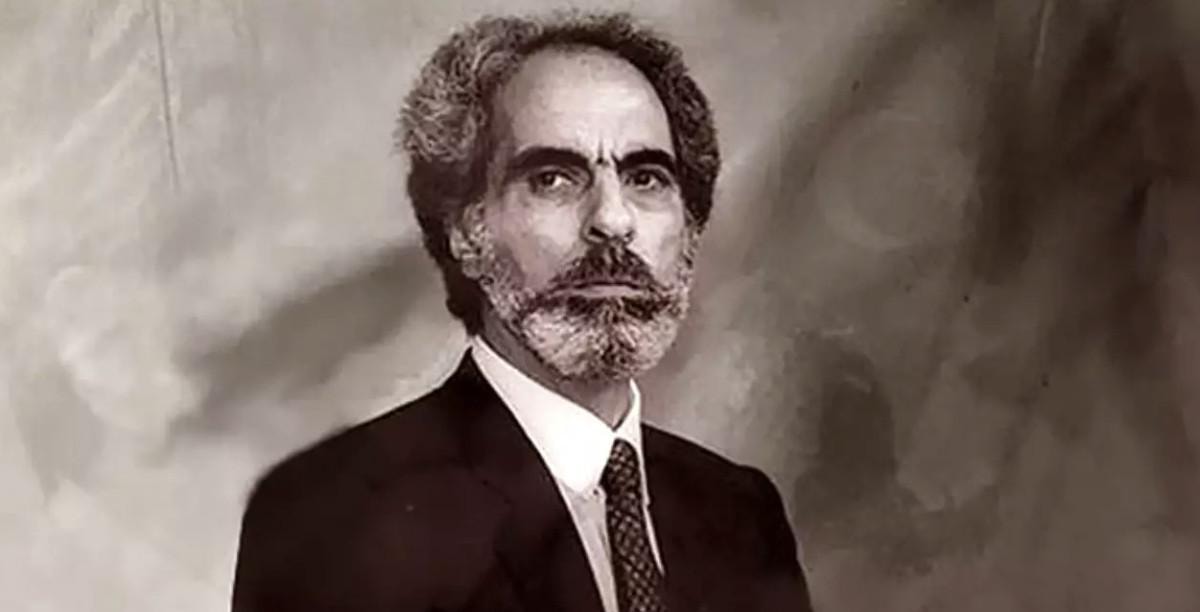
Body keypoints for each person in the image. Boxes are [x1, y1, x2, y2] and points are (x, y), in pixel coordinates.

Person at [232, 11, 813, 612]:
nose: (613, 221)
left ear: (689, 229)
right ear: (466, 229)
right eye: (554, 179)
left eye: (646, 178)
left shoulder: (743, 512)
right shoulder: (335, 518)